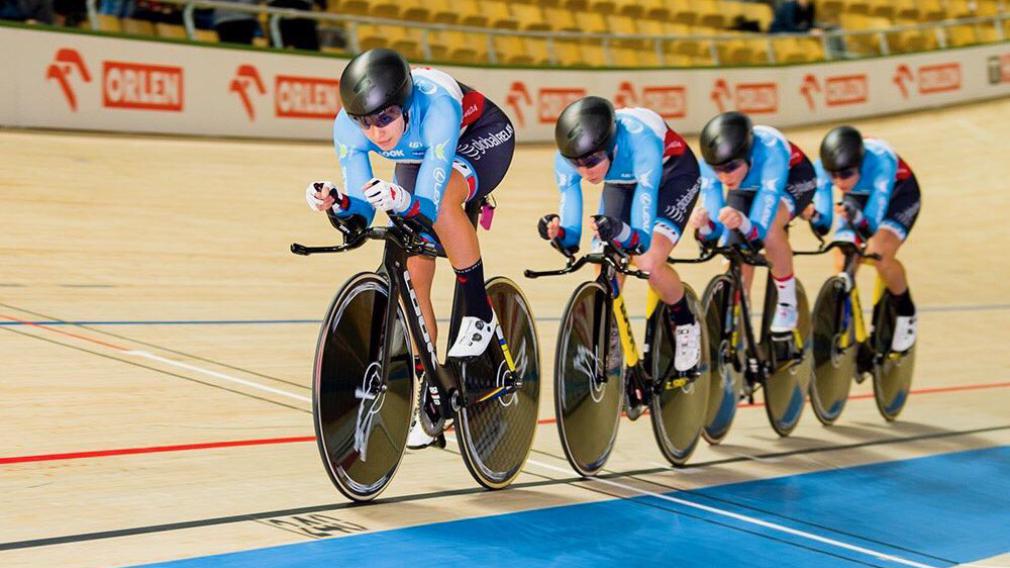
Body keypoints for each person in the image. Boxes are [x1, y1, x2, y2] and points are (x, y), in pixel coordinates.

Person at [304, 48, 515, 448]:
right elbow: (363, 210)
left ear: (404, 104)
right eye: (365, 122)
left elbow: (429, 202)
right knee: (413, 275)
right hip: (419, 155)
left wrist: (403, 200)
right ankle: (433, 389)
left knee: (444, 202)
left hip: (478, 138)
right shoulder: (348, 129)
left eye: (385, 118)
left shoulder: (436, 107)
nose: (377, 132)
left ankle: (479, 311)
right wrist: (338, 203)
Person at [538, 96, 703, 394]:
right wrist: (559, 234)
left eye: (591, 162)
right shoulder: (570, 159)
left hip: (672, 175)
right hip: (622, 180)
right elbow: (573, 236)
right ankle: (613, 338)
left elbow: (640, 238)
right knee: (603, 260)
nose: (585, 171)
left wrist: (622, 233)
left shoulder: (641, 143)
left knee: (649, 262)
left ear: (610, 145)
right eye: (577, 163)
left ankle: (686, 322)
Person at [688, 111, 817, 335]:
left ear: (747, 155)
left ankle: (787, 303)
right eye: (718, 169)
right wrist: (704, 224)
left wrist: (745, 224)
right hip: (746, 187)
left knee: (771, 227)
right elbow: (714, 232)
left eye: (730, 168)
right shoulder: (712, 165)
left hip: (791, 179)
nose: (724, 176)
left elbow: (759, 227)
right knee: (733, 248)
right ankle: (737, 313)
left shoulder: (771, 151)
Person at [803, 126, 920, 352]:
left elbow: (872, 222)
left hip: (899, 196)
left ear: (859, 164)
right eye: (833, 175)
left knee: (879, 254)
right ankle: (850, 328)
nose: (838, 182)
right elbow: (824, 223)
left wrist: (858, 219)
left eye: (845, 174)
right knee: (842, 259)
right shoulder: (822, 168)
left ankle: (906, 311)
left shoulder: (881, 163)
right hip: (856, 199)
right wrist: (814, 214)